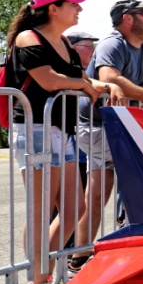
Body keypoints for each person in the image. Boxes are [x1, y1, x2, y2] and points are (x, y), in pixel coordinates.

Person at [8, 0, 105, 284]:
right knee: (41, 210)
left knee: (74, 207)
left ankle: (47, 273)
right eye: (73, 3)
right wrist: (84, 83)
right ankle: (39, 281)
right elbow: (48, 80)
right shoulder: (28, 38)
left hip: (62, 131)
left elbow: (78, 79)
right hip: (35, 129)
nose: (79, 8)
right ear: (53, 8)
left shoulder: (63, 40)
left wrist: (98, 85)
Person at [74, 0, 143, 270]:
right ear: (128, 18)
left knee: (98, 194)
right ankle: (138, 255)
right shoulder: (113, 42)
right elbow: (109, 77)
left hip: (114, 125)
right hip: (97, 125)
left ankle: (79, 257)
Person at [63, 30, 99, 182]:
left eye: (94, 46)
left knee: (79, 203)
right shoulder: (66, 72)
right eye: (88, 46)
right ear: (73, 48)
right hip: (68, 151)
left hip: (87, 154)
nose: (93, 50)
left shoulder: (93, 73)